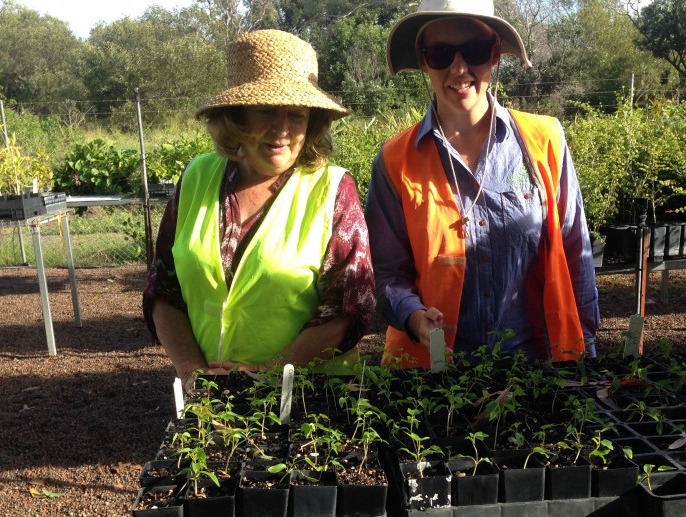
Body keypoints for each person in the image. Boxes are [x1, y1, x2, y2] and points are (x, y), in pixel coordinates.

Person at [365, 0, 599, 369]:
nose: (459, 68)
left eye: (474, 50)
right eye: (440, 53)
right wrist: (413, 317)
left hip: (538, 369)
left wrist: (585, 351)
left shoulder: (545, 140)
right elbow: (387, 273)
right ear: (424, 61)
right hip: (432, 374)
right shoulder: (395, 160)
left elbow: (576, 253)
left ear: (495, 54)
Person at [143, 30, 375, 388]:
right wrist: (193, 373)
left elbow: (349, 307)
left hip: (312, 401)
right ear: (237, 117)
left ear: (311, 123)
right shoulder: (195, 177)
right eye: (266, 110)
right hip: (211, 399)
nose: (281, 129)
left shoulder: (332, 189)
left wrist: (268, 375)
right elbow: (164, 290)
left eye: (296, 114)